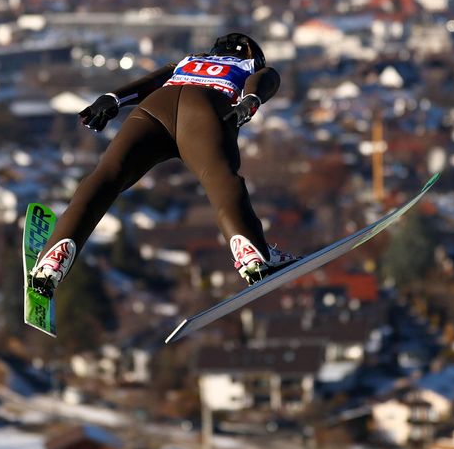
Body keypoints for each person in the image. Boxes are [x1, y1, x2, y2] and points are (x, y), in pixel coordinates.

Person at [29, 33, 299, 298]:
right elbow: (266, 79)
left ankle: (53, 258)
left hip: (155, 107)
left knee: (107, 175)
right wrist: (251, 99)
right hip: (204, 108)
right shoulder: (249, 66)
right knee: (221, 180)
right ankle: (252, 253)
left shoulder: (189, 61)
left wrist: (113, 98)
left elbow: (152, 81)